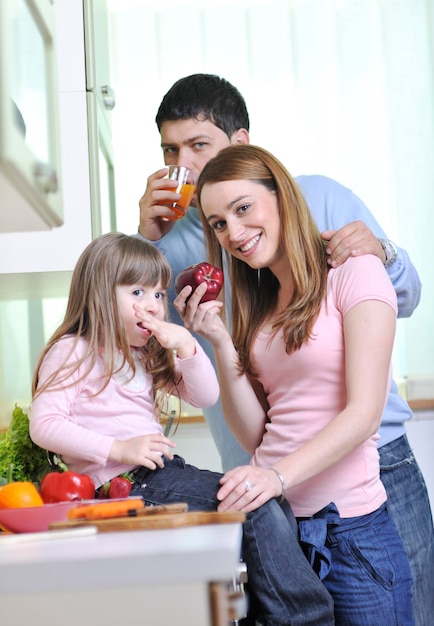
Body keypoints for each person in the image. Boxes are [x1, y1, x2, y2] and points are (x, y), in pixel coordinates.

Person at [137, 74, 433, 626]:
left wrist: (383, 251)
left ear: (245, 146)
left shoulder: (323, 206)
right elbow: (142, 345)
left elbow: (401, 297)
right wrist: (143, 240)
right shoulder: (176, 244)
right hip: (269, 490)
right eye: (170, 150)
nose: (184, 163)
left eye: (199, 145)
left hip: (364, 467)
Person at [29, 232, 335, 626]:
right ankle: (307, 619)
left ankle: (271, 615)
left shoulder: (141, 353)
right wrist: (120, 448)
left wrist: (188, 347)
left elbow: (204, 395)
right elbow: (45, 425)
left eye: (158, 294)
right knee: (252, 503)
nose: (152, 305)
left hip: (160, 474)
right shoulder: (73, 350)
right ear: (100, 292)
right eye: (137, 291)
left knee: (268, 500)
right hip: (123, 484)